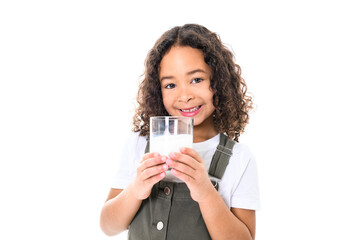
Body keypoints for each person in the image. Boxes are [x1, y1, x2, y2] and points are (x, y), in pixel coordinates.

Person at [100, 23, 260, 240]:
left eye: (196, 80)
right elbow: (108, 226)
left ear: (219, 82)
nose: (184, 95)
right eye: (170, 85)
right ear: (158, 91)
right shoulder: (139, 145)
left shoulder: (239, 159)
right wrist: (136, 189)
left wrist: (205, 192)